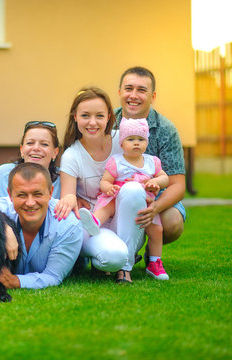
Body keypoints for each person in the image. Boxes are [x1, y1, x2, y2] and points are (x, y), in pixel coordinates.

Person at [54, 86, 135, 284]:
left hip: (125, 220)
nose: (92, 122)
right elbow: (67, 197)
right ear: (75, 117)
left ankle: (126, 268)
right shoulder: (72, 155)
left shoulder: (122, 141)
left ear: (109, 116)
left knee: (133, 190)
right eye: (85, 115)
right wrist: (71, 197)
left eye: (99, 115)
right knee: (113, 256)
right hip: (94, 226)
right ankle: (106, 261)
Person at [79, 117, 170, 280]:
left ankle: (155, 262)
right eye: (131, 139)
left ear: (147, 142)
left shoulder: (152, 162)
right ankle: (94, 222)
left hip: (145, 202)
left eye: (141, 139)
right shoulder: (117, 161)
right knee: (108, 206)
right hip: (118, 196)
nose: (137, 143)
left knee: (156, 229)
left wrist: (155, 181)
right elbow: (104, 181)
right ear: (121, 143)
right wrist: (109, 188)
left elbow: (165, 178)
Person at [114, 66, 186, 258]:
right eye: (129, 89)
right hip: (114, 190)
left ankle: (151, 250)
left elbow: (178, 185)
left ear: (153, 96)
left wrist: (155, 208)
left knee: (172, 222)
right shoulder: (107, 122)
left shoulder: (166, 130)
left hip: (156, 194)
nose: (134, 95)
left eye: (142, 90)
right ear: (120, 92)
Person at [0, 162, 83, 289]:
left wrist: (15, 281)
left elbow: (52, 276)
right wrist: (5, 227)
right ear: (10, 195)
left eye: (37, 194)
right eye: (22, 195)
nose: (30, 203)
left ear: (50, 193)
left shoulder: (68, 225)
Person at [0, 121, 61, 199]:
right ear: (21, 150)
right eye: (30, 143)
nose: (36, 148)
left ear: (55, 153)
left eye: (44, 144)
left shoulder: (63, 179)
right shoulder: (4, 174)